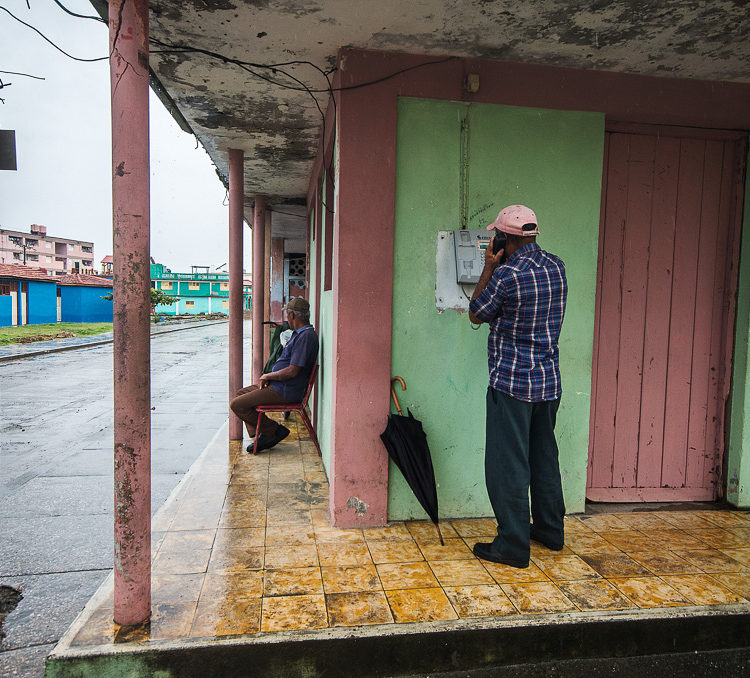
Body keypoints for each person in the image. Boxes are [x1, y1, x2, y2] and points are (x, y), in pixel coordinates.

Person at [468, 205, 568, 568]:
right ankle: (550, 531)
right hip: (548, 382)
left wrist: (488, 266)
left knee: (507, 464)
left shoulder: (507, 275)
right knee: (544, 458)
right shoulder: (556, 266)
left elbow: (477, 312)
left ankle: (512, 544)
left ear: (505, 238)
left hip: (511, 383)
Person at [230, 296, 319, 453]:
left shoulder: (305, 337)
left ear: (292, 315)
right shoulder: (301, 334)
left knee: (237, 404)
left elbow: (293, 370)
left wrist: (268, 376)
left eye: (287, 315)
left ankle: (274, 431)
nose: (287, 318)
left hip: (286, 390)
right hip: (281, 386)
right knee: (241, 394)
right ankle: (264, 433)